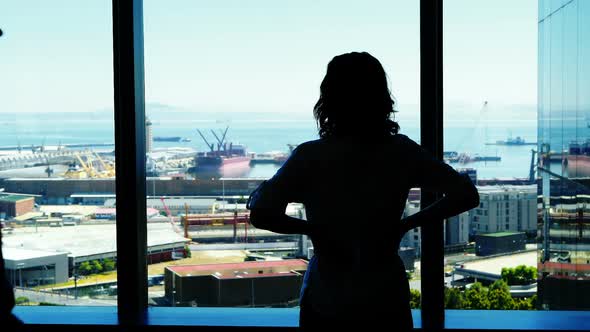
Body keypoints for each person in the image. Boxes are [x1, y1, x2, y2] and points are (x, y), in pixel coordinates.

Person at [247, 51, 479, 330]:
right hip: (384, 289)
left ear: (328, 99)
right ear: (381, 97)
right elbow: (466, 194)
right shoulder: (401, 152)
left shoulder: (311, 156)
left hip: (328, 290)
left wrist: (315, 229)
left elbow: (262, 213)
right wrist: (406, 224)